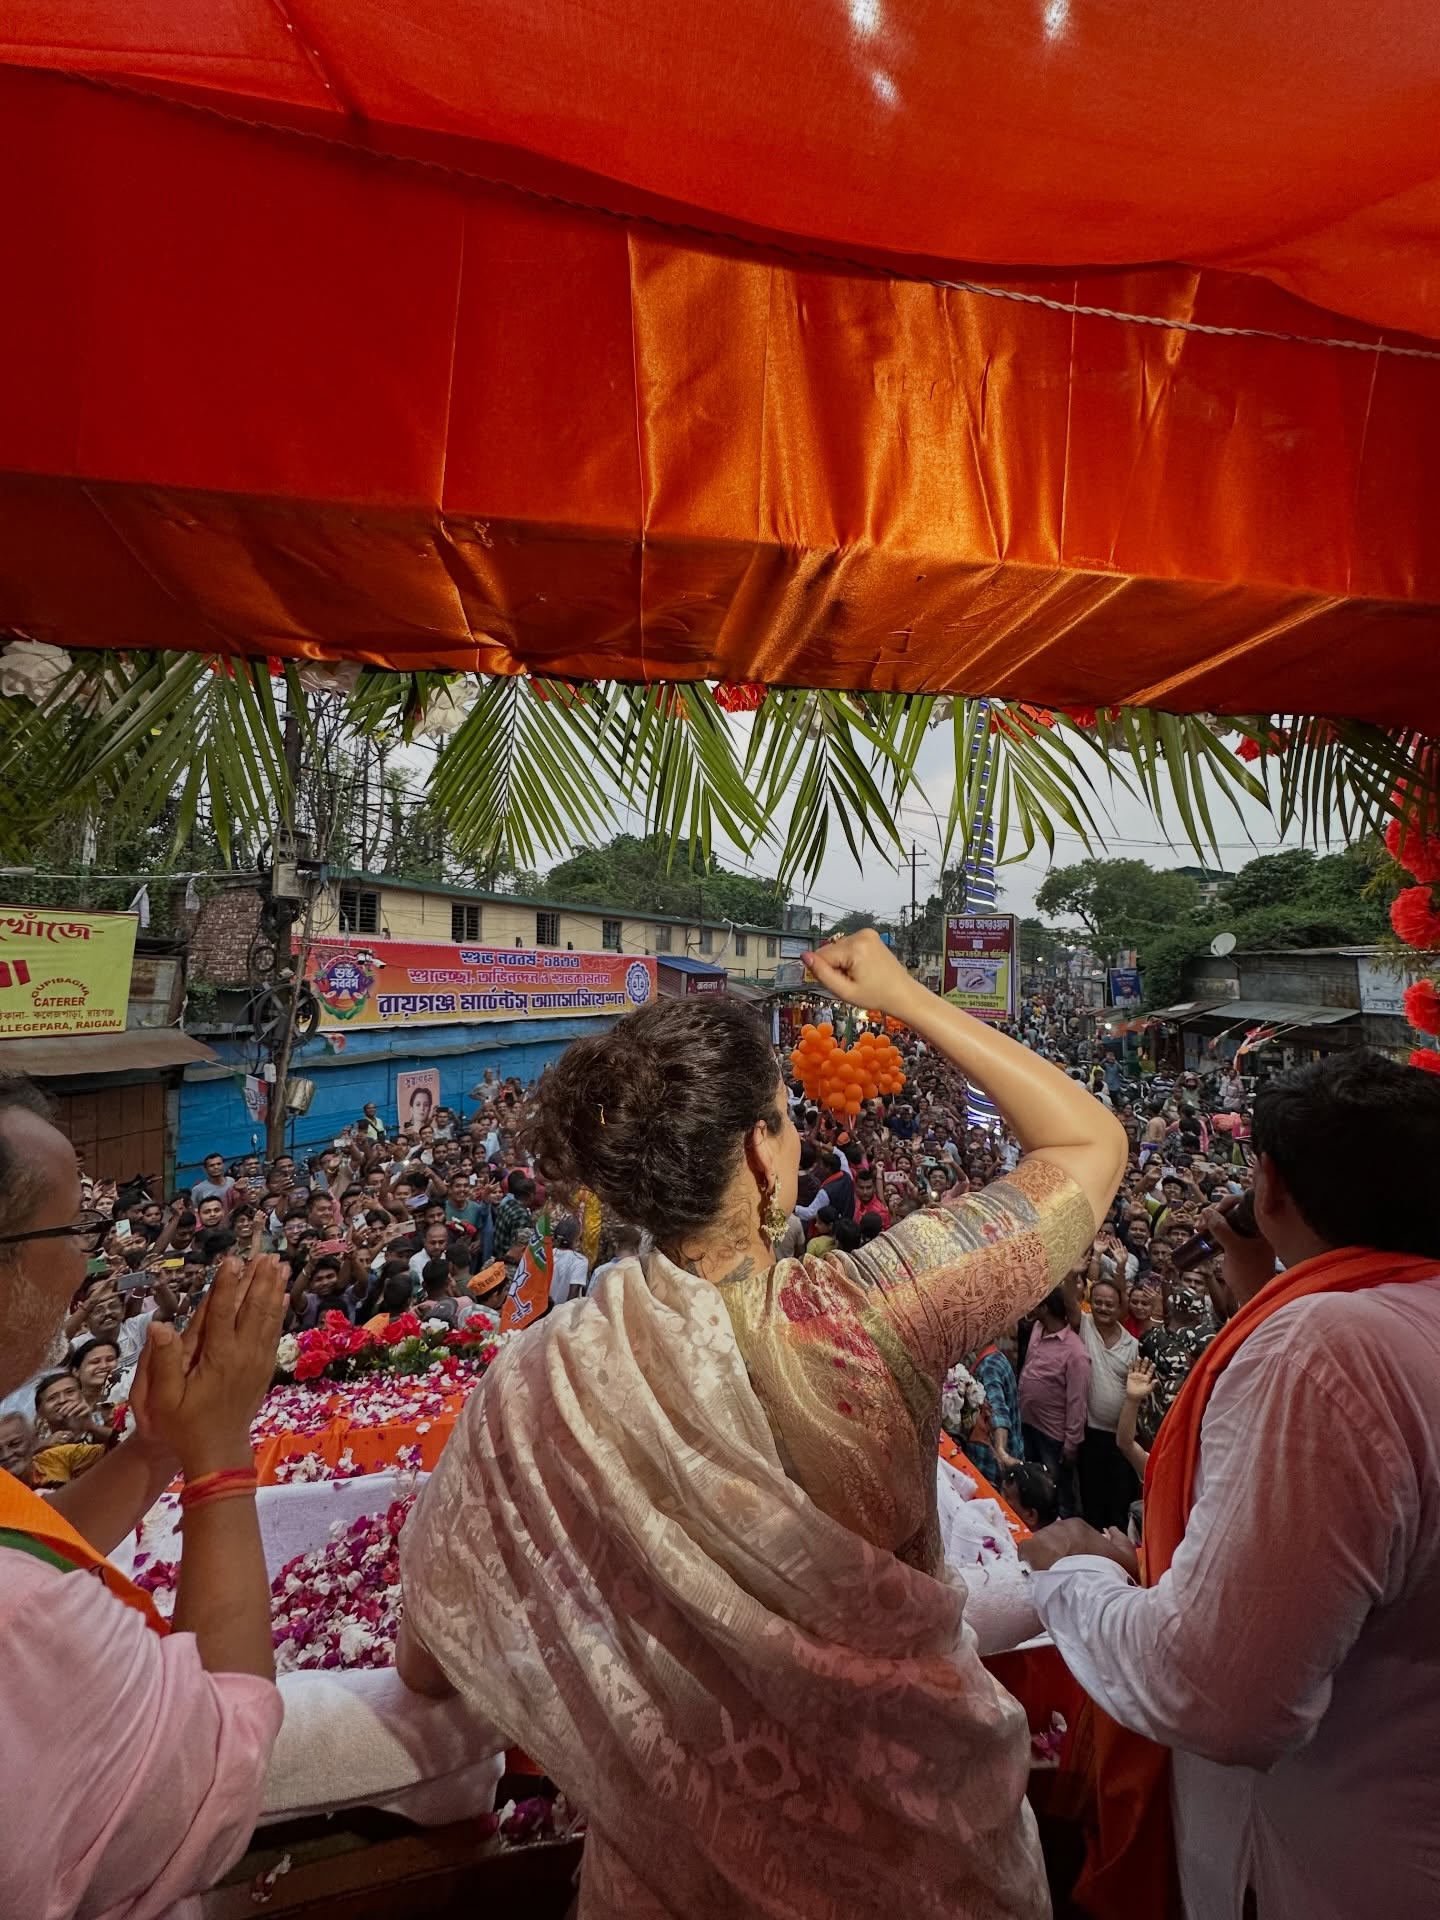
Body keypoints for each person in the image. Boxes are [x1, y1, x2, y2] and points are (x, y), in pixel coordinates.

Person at [396, 930, 1126, 1918]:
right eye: (786, 1120)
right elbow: (1089, 1145)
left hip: (667, 1889)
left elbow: (427, 1654)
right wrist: (908, 998)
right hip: (921, 1873)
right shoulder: (883, 1311)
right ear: (758, 1151)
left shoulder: (538, 1380)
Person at [1021, 1049, 1440, 1920]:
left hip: (1325, 1874)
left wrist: (1078, 1574)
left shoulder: (1329, 1352)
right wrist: (1266, 1286)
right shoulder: (1384, 1323)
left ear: (1271, 1187)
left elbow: (1217, 1696)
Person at [0, 1078, 289, 1917]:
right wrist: (219, 1456)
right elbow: (218, 1779)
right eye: (71, 1229)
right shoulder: (21, 1615)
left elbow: (28, 1541)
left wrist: (156, 1446)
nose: (85, 1262)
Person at [1063, 1271, 1141, 1530]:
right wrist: (1072, 1274)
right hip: (1091, 1435)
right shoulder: (1085, 1325)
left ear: (1120, 1308)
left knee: (1118, 1505)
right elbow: (1068, 1300)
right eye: (1098, 1302)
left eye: (1109, 1304)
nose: (1103, 1308)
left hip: (1122, 1441)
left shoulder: (1133, 1345)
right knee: (1091, 1502)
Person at [1017, 1287, 1090, 1518]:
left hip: (1052, 1435)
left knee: (1057, 1492)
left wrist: (1071, 1443)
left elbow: (1077, 1401)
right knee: (1032, 1488)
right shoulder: (1037, 1329)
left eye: (1036, 1303)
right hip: (1028, 1423)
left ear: (1045, 1308)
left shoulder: (1076, 1352)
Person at [547, 1215, 589, 1306]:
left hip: (541, 1309)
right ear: (576, 1239)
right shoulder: (580, 1261)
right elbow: (573, 1293)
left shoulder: (546, 1254)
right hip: (561, 1311)